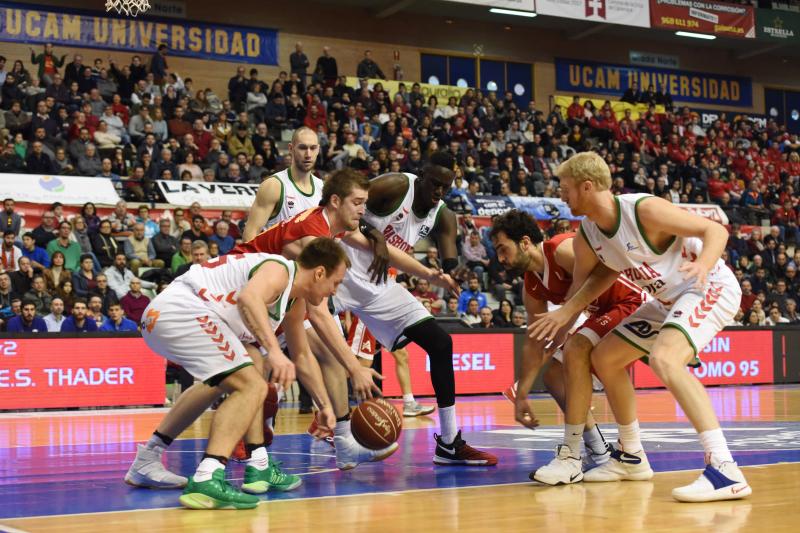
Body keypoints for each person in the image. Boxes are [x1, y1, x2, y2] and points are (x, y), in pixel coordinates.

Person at [529, 152, 749, 502]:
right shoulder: (588, 232)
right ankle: (631, 457)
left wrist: (704, 265)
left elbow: (715, 229)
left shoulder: (642, 210)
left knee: (665, 360)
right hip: (665, 301)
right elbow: (598, 277)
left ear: (587, 187)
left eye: (565, 188)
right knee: (606, 358)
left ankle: (724, 468)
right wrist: (564, 316)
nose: (561, 196)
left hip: (707, 286)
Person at [130, 239, 347, 510]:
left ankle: (150, 459)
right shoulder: (279, 269)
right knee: (252, 387)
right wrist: (275, 351)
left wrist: (325, 406)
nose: (334, 290)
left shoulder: (294, 300)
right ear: (319, 273)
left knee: (246, 367)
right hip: (182, 310)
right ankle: (208, 476)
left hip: (173, 315)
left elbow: (302, 356)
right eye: (336, 283)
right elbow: (249, 298)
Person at [331, 153, 497, 466]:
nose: (438, 192)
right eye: (434, 184)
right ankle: (279, 433)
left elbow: (450, 259)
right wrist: (375, 234)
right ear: (420, 176)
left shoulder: (443, 215)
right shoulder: (394, 186)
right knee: (299, 347)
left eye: (445, 188)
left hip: (378, 287)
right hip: (339, 274)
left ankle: (449, 443)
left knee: (441, 343)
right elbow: (347, 208)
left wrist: (453, 271)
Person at [490, 209, 646, 484]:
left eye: (503, 249)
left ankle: (570, 456)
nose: (501, 259)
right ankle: (599, 451)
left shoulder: (561, 249)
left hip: (633, 301)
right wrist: (522, 393)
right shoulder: (532, 286)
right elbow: (534, 341)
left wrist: (566, 317)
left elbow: (609, 269)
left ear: (525, 242)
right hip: (604, 312)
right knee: (553, 375)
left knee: (575, 347)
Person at [241, 127, 324, 241]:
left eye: (313, 148)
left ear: (318, 149)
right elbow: (250, 234)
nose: (308, 154)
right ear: (291, 148)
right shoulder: (273, 185)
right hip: (278, 257)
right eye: (302, 148)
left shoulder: (322, 188)